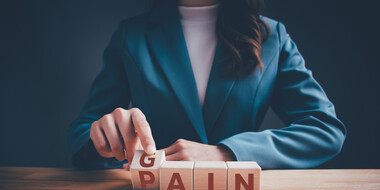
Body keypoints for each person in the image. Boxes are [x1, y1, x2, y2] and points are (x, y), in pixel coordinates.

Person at [67, 0, 346, 170]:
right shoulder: (132, 35)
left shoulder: (272, 36)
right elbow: (81, 133)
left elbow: (325, 128)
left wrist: (227, 153)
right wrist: (104, 135)